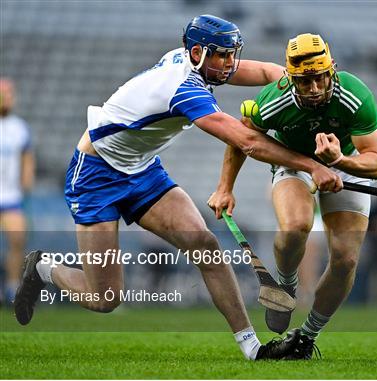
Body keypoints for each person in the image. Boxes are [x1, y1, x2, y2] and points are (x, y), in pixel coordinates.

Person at [13, 16, 342, 361]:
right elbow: (246, 140)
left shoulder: (195, 62)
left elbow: (264, 73)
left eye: (233, 55)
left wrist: (302, 88)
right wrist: (312, 166)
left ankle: (253, 349)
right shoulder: (184, 89)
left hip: (142, 170)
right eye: (222, 56)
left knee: (205, 245)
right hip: (96, 176)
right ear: (198, 52)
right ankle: (42, 268)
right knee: (105, 298)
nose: (230, 64)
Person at [208, 33, 377, 359]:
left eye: (320, 78)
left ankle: (306, 336)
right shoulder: (272, 101)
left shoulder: (355, 95)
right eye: (305, 81)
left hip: (344, 165)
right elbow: (241, 139)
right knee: (295, 228)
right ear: (290, 78)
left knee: (346, 259)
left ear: (332, 70)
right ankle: (286, 285)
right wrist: (224, 188)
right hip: (292, 164)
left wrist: (340, 162)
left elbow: (375, 163)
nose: (315, 88)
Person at [0, 78, 35, 304]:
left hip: (10, 197)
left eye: (10, 94)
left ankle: (12, 287)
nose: (8, 98)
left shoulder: (19, 127)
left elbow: (27, 158)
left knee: (17, 240)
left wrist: (26, 182)